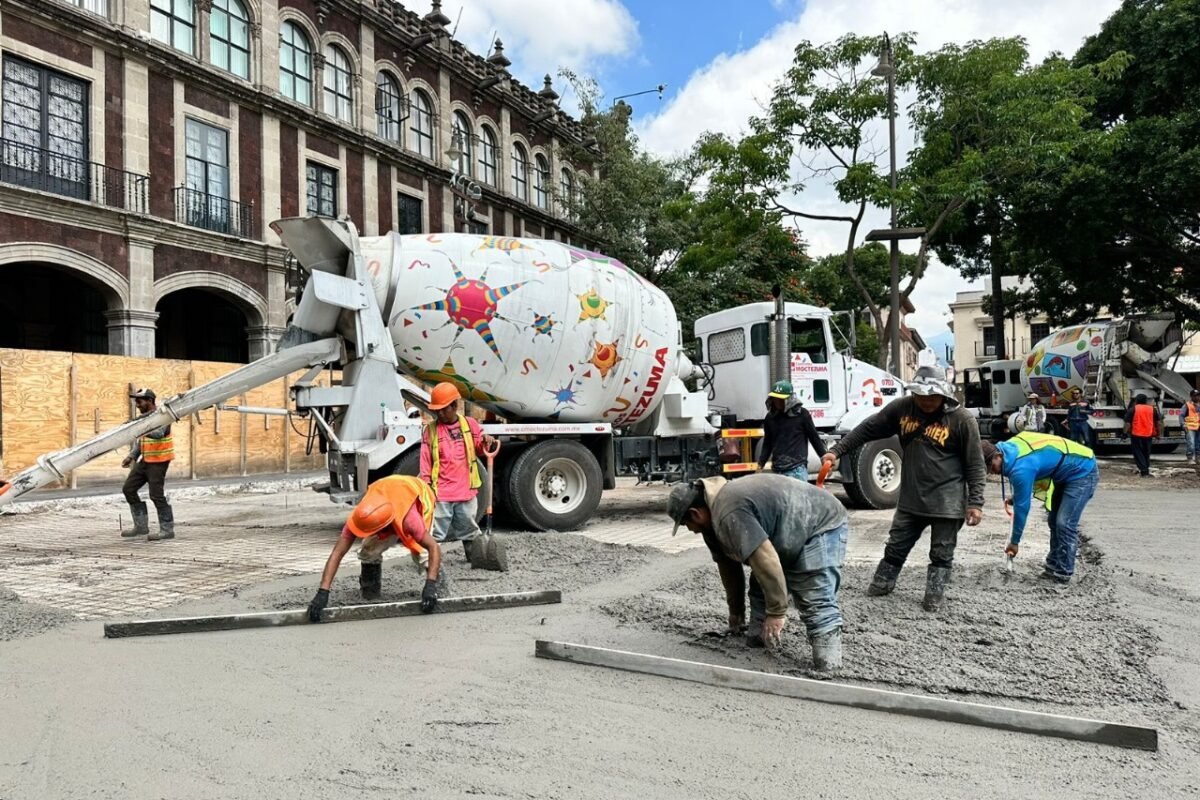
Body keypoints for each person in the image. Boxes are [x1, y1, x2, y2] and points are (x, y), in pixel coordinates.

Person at [821, 365, 985, 611]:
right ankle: (881, 586)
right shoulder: (902, 408)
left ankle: (933, 600)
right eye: (921, 396)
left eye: (932, 397)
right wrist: (836, 451)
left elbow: (975, 463)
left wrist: (976, 502)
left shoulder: (962, 420)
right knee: (896, 545)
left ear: (944, 395)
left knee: (942, 553)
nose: (926, 401)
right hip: (911, 498)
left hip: (947, 501)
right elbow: (868, 428)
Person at [667, 473, 848, 670]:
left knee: (814, 595)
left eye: (686, 524)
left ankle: (828, 665)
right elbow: (728, 567)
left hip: (819, 523)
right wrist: (736, 612)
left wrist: (777, 612)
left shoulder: (729, 511)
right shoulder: (711, 524)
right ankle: (758, 640)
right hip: (785, 531)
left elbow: (765, 560)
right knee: (761, 587)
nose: (691, 530)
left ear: (695, 513)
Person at [307, 474, 443, 621]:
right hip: (387, 494)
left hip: (417, 495)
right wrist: (323, 591)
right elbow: (337, 553)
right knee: (368, 550)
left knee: (423, 555)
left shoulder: (410, 521)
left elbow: (433, 547)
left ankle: (437, 588)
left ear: (383, 527)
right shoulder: (361, 516)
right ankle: (370, 591)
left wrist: (430, 585)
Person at [982, 432, 1098, 583]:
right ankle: (1053, 566)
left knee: (1064, 523)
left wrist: (1014, 542)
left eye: (991, 466)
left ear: (998, 455)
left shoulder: (1020, 468)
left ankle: (1063, 573)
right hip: (1066, 472)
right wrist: (1018, 496)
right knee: (1053, 521)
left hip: (1083, 470)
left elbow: (1022, 509)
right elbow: (1036, 465)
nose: (992, 471)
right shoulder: (1010, 449)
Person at [420, 382, 505, 569]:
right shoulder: (431, 431)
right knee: (436, 530)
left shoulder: (470, 425)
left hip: (465, 489)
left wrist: (486, 442)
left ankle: (474, 558)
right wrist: (425, 484)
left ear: (454, 406)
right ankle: (432, 563)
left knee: (468, 527)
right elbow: (425, 459)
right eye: (437, 411)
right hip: (441, 492)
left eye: (444, 410)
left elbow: (480, 449)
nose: (440, 414)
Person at [121, 388, 175, 541]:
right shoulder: (144, 419)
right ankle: (141, 526)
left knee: (156, 495)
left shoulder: (163, 416)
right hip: (145, 460)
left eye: (139, 401)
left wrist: (137, 428)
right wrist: (132, 455)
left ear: (150, 401)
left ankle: (167, 529)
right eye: (135, 401)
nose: (137, 404)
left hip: (159, 461)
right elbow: (142, 441)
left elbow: (158, 434)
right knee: (128, 489)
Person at [757, 379, 826, 481]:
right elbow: (767, 443)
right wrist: (760, 465)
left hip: (797, 469)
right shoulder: (770, 418)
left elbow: (814, 438)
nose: (777, 402)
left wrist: (824, 458)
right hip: (778, 469)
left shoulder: (802, 415)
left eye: (781, 399)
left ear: (789, 399)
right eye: (775, 398)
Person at [1124, 394, 1161, 477]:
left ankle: (1144, 471)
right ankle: (1146, 470)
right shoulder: (1152, 409)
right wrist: (1158, 434)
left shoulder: (1133, 409)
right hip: (1148, 434)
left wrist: (1124, 433)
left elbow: (1127, 424)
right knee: (1146, 453)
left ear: (1136, 401)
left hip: (1136, 434)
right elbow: (1158, 423)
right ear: (1145, 401)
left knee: (1138, 452)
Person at [1184, 389, 1200, 465]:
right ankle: (1190, 458)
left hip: (1199, 427)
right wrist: (1183, 424)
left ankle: (1198, 458)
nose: (1197, 397)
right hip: (1190, 427)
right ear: (1191, 396)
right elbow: (1181, 415)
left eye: (1198, 395)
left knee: (1198, 443)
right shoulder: (1187, 405)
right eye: (1195, 396)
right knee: (1191, 443)